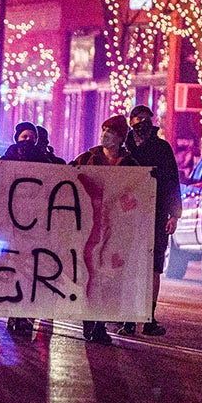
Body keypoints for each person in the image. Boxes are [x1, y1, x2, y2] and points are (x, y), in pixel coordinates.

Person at [71, 115, 138, 345]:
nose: (105, 136)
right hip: (90, 228)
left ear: (120, 138)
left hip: (117, 231)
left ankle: (100, 324)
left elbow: (140, 191)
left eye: (110, 132)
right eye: (103, 131)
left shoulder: (130, 165)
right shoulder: (88, 159)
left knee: (109, 278)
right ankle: (90, 324)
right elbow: (67, 176)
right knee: (90, 275)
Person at [121, 104, 181, 337]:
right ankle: (126, 318)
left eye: (147, 119)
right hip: (125, 215)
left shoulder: (162, 148)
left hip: (155, 215)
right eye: (138, 119)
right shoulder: (123, 148)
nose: (142, 123)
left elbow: (171, 182)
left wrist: (174, 214)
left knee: (153, 267)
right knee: (127, 267)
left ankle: (148, 316)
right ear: (131, 122)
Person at [1, 121, 50, 334]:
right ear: (17, 138)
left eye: (32, 137)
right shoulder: (5, 160)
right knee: (14, 269)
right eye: (24, 136)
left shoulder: (45, 161)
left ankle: (27, 316)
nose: (27, 140)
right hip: (11, 223)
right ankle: (14, 313)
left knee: (31, 270)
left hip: (34, 224)